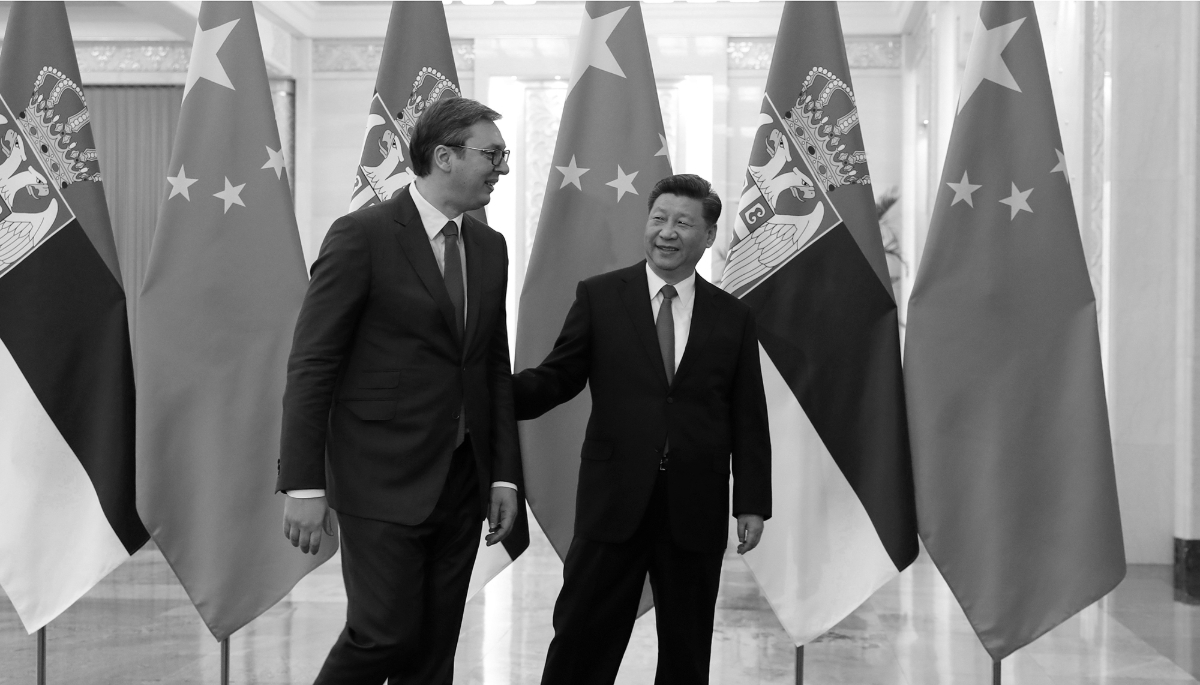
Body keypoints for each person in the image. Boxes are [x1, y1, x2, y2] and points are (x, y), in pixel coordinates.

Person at [276, 97, 521, 685]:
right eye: (492, 155)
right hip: (379, 477)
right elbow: (312, 364)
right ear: (443, 157)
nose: (502, 169)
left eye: (503, 156)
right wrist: (304, 484)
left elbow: (491, 366)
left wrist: (504, 474)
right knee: (382, 633)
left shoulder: (490, 247)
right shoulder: (362, 236)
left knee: (434, 651)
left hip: (461, 481)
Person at [514, 174, 772, 684]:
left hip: (693, 506)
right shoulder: (601, 296)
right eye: (659, 219)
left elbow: (747, 412)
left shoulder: (733, 316)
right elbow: (558, 377)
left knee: (686, 651)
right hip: (614, 502)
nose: (667, 233)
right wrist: (488, 392)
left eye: (683, 223)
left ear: (708, 234)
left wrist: (752, 501)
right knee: (582, 642)